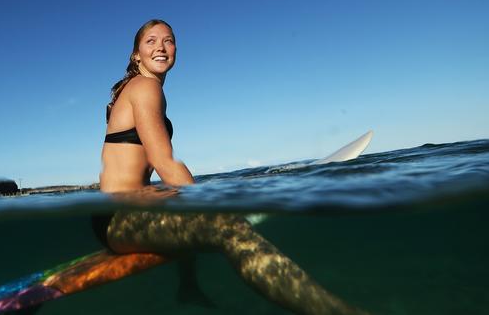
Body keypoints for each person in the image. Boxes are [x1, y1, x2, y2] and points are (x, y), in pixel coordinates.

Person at [95, 19, 368, 315]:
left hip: (121, 211)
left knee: (176, 201)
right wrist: (211, 206)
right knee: (227, 227)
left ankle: (188, 286)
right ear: (136, 55)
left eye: (169, 40)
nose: (161, 46)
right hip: (120, 218)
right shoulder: (146, 87)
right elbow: (164, 161)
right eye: (151, 41)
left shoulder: (138, 88)